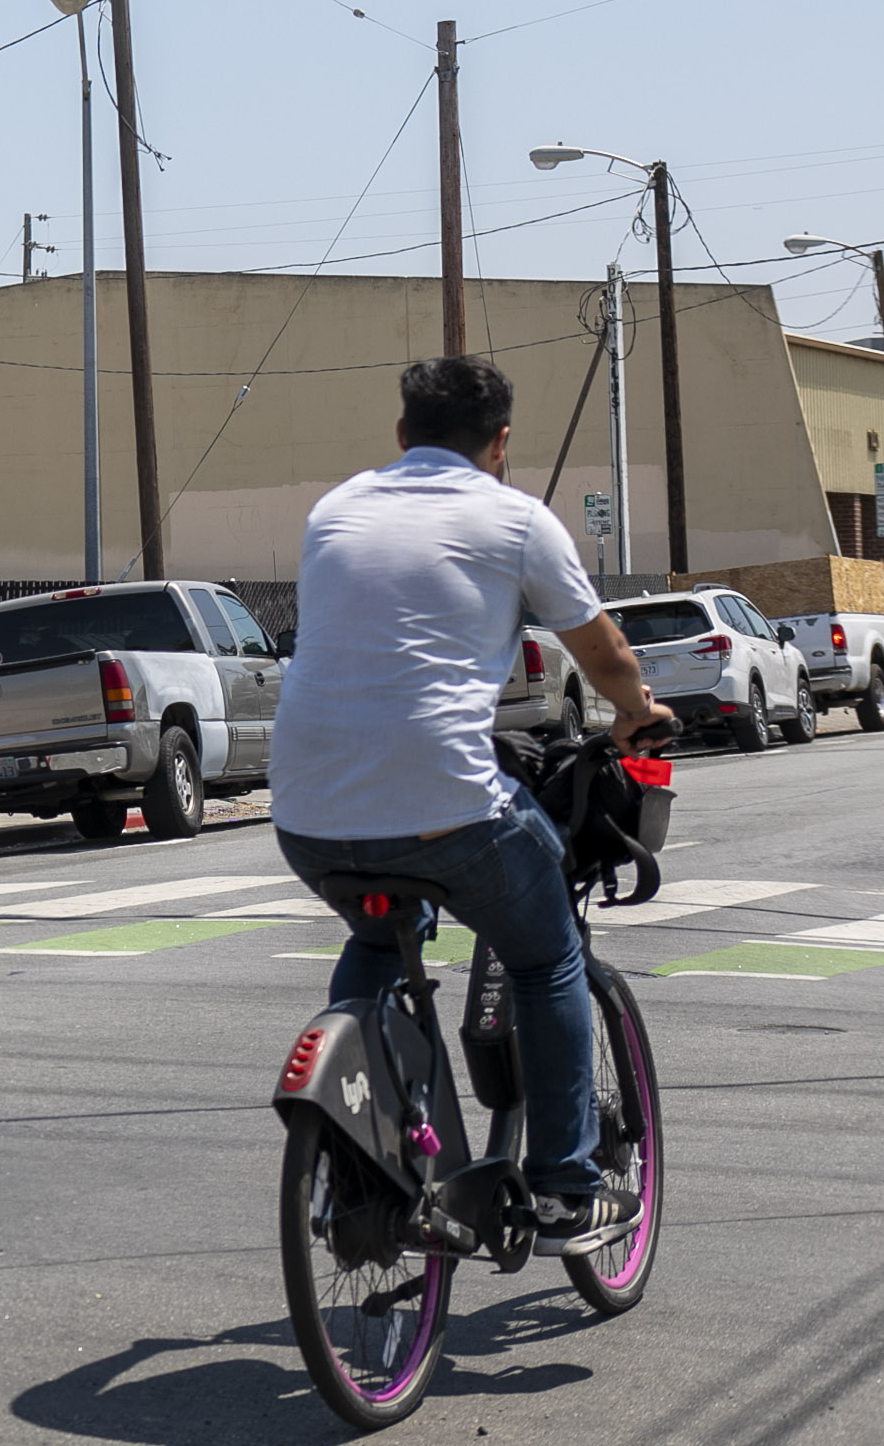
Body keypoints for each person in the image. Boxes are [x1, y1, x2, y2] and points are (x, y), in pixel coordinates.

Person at [271, 354, 671, 1253]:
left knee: (378, 934)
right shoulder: (514, 518)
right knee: (547, 958)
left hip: (304, 809)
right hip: (448, 804)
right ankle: (568, 1186)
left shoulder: (334, 509)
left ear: (402, 435)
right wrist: (638, 713)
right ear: (499, 444)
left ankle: (355, 1143)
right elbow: (603, 650)